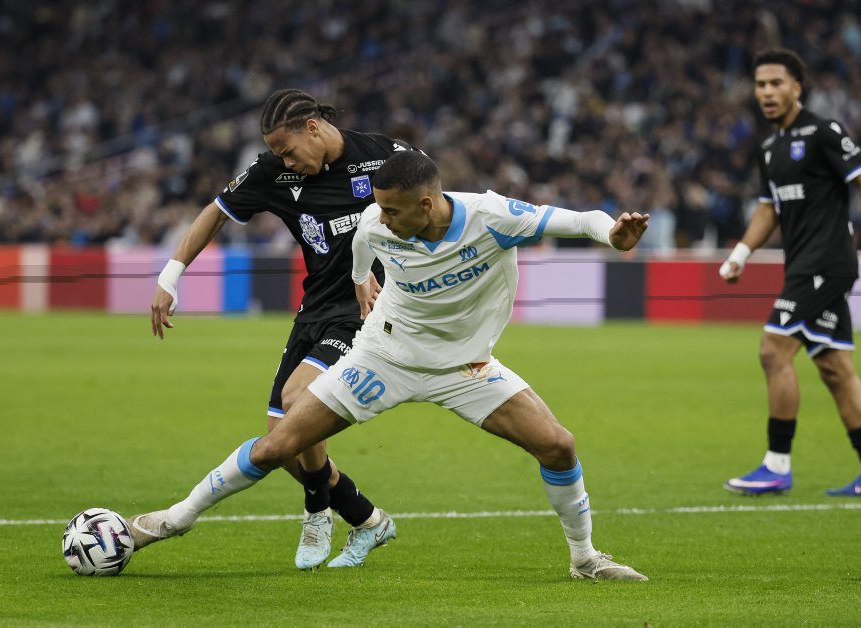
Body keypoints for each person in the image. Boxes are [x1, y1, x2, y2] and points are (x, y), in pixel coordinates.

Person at [129, 150, 651, 580]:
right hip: (384, 357)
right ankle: (170, 521)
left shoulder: (493, 218)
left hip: (465, 368)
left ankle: (585, 559)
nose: (381, 218)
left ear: (427, 203)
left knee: (558, 445)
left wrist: (614, 235)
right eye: (378, 208)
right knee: (277, 445)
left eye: (392, 210)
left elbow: (580, 219)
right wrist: (362, 284)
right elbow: (361, 250)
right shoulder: (376, 223)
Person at [135, 89, 419, 569]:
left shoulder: (383, 156)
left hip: (365, 310)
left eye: (287, 150)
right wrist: (170, 274)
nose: (285, 161)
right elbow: (216, 212)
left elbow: (434, 205)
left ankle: (316, 513)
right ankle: (368, 519)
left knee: (296, 400)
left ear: (313, 127)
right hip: (314, 310)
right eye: (278, 154)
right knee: (282, 443)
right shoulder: (275, 173)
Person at [721, 48, 861, 497]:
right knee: (835, 368)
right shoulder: (769, 149)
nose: (767, 92)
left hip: (826, 263)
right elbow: (769, 209)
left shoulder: (824, 132)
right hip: (802, 264)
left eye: (776, 83)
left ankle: (776, 465)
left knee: (773, 350)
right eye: (760, 85)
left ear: (796, 88)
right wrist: (741, 253)